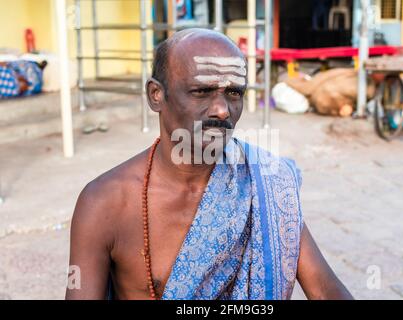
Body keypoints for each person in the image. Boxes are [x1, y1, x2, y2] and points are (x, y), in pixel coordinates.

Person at [66, 28, 353, 300]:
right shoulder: (104, 202)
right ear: (156, 95)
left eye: (234, 93)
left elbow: (325, 290)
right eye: (201, 91)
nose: (222, 109)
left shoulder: (266, 186)